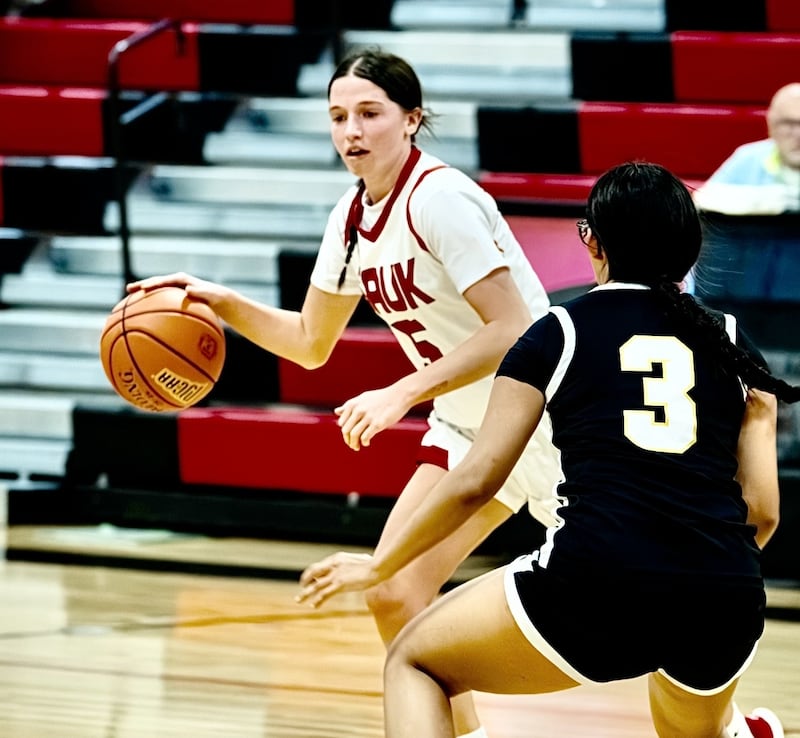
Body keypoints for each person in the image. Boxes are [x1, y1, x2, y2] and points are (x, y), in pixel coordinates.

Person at [127, 48, 562, 738]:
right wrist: (218, 300)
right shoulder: (352, 217)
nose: (351, 131)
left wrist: (401, 391)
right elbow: (308, 340)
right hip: (464, 424)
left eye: (369, 113)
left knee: (644, 604)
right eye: (337, 117)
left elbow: (515, 329)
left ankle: (725, 720)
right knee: (394, 590)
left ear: (411, 119)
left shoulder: (441, 198)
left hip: (543, 419)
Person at [297, 161, 800, 738]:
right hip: (722, 592)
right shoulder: (735, 342)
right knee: (697, 730)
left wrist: (382, 564)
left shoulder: (555, 331)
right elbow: (762, 513)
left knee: (414, 660)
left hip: (595, 580)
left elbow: (477, 479)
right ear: (690, 249)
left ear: (591, 239)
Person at [693, 82, 800, 215]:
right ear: (772, 126)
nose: (798, 134)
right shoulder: (749, 157)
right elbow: (701, 201)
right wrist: (763, 201)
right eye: (788, 124)